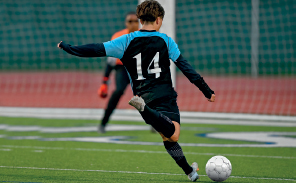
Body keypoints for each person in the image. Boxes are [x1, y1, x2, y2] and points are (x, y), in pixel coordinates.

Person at [57, 0, 215, 181]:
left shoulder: (125, 41)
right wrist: (206, 90)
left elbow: (95, 49)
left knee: (167, 136)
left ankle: (190, 172)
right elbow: (186, 68)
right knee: (174, 133)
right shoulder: (166, 41)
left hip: (143, 95)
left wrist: (69, 48)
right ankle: (145, 111)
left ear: (140, 20)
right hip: (164, 94)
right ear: (158, 20)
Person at [98, 12, 139, 133]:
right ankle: (103, 122)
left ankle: (156, 123)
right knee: (118, 91)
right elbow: (110, 61)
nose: (133, 24)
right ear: (126, 23)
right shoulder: (118, 36)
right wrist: (105, 81)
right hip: (122, 68)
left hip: (139, 69)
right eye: (130, 21)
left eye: (135, 21)